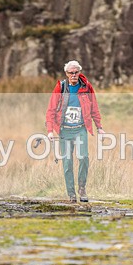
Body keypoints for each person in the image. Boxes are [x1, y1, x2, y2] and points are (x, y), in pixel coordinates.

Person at [45, 60, 105, 202]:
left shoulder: (86, 87)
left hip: (80, 130)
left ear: (79, 72)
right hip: (64, 131)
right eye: (71, 73)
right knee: (67, 163)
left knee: (83, 157)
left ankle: (82, 189)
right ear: (66, 73)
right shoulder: (61, 87)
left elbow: (94, 108)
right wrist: (49, 130)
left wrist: (99, 127)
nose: (73, 75)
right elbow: (51, 110)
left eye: (76, 72)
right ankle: (71, 194)